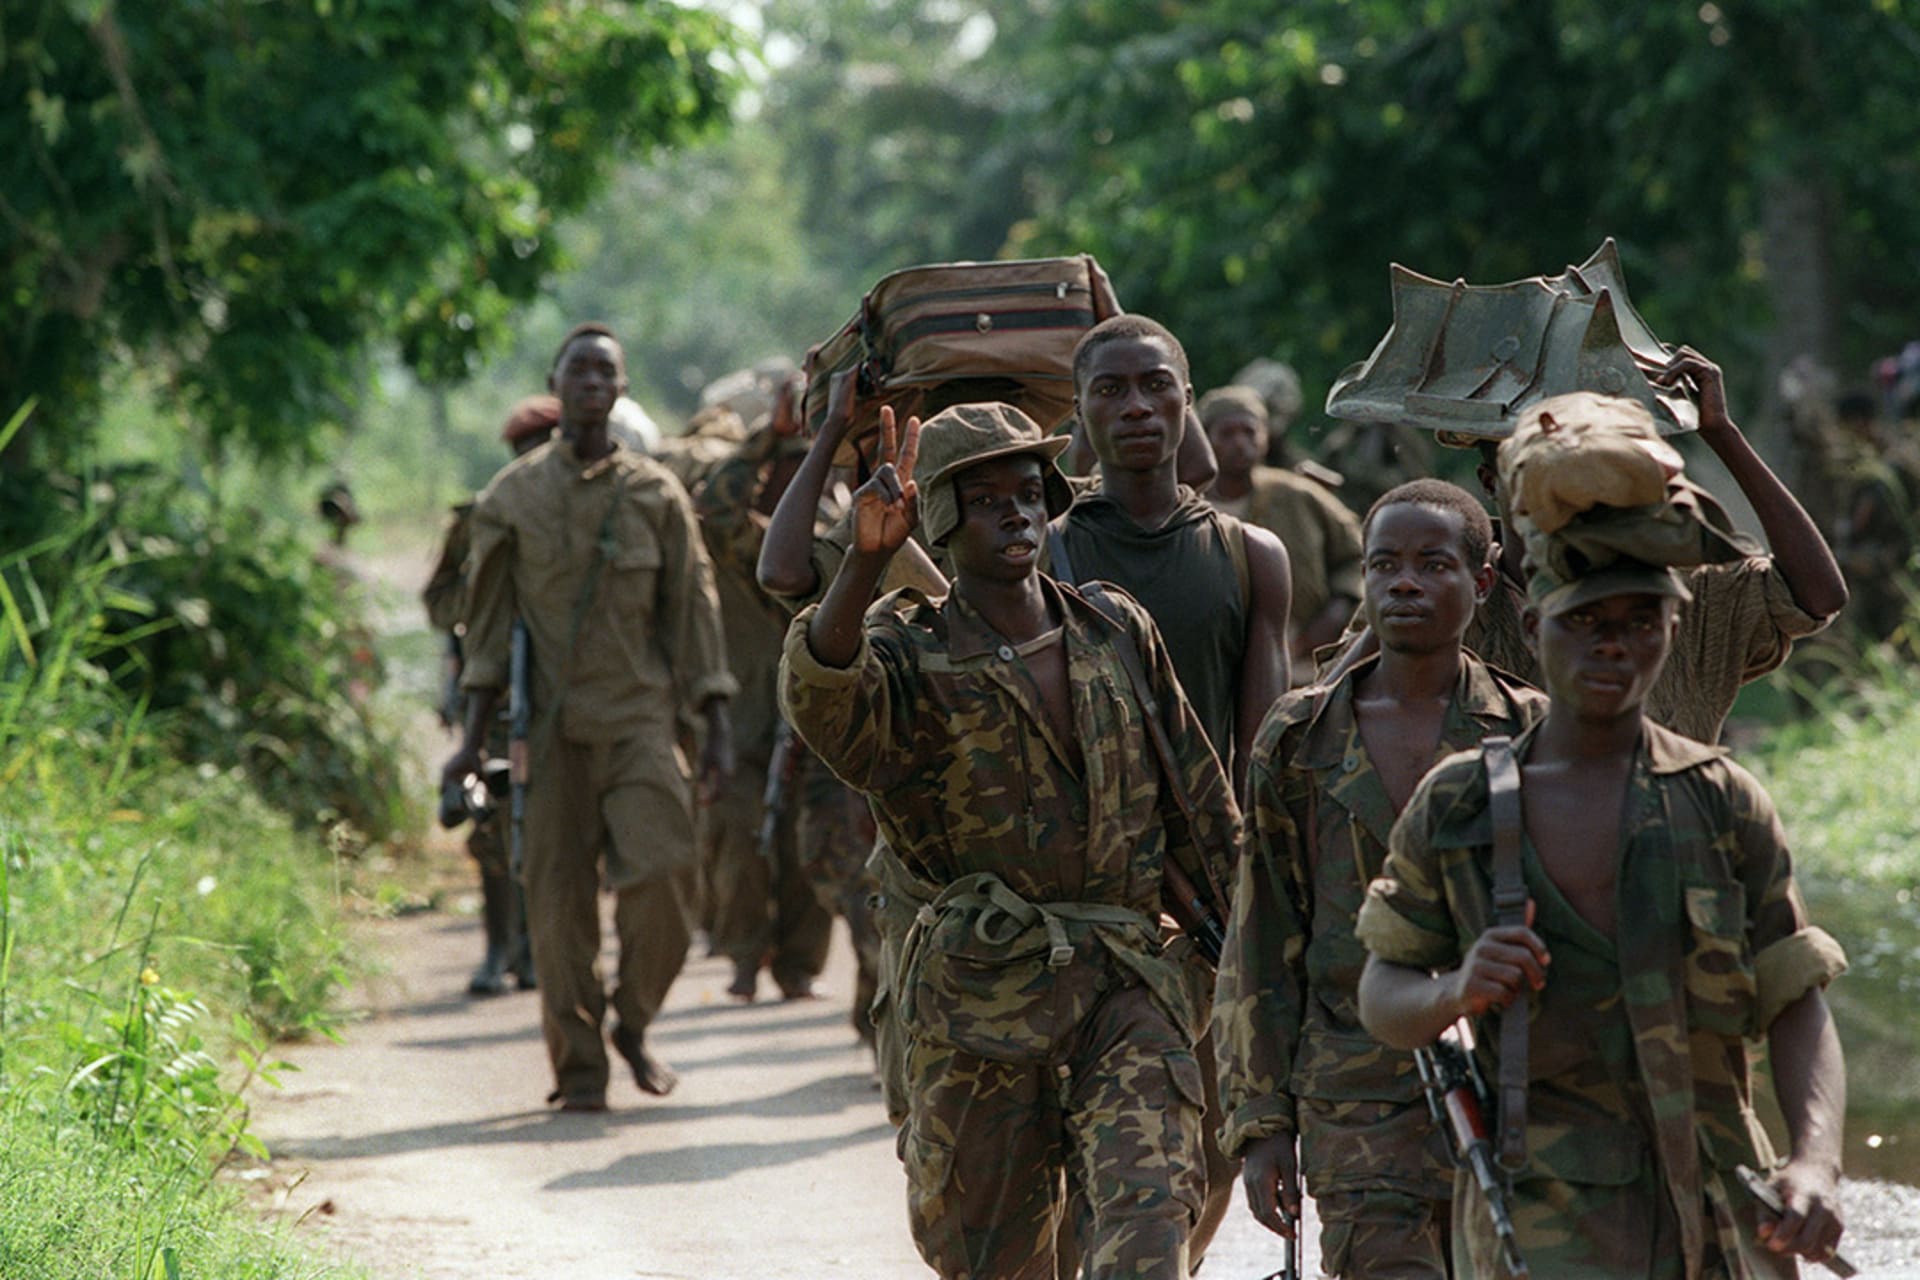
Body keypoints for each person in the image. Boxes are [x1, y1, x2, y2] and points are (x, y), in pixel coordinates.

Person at [781, 402, 1239, 1279]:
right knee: (993, 1258)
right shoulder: (907, 652)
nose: (1016, 512)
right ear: (943, 520)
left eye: (1029, 493)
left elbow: (1202, 807)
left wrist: (1257, 955)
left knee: (1148, 1223)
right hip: (979, 998)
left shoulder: (1113, 629)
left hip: (1124, 979)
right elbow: (827, 710)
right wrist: (865, 565)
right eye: (985, 498)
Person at [1354, 551, 1850, 1277]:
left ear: (1672, 631)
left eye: (1639, 622)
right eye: (1582, 621)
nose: (1612, 644)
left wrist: (1815, 1160)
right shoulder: (1459, 803)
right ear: (1531, 626)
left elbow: (1795, 998)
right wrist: (1454, 990)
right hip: (1537, 1220)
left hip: (1719, 1209)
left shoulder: (1721, 800)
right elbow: (1381, 994)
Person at [1216, 479, 1548, 1277]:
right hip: (1353, 1097)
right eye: (1384, 565)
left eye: (1434, 564)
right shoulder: (1299, 738)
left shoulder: (1531, 732)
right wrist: (1263, 1124)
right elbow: (1262, 933)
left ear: (1483, 582)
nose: (1404, 582)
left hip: (1513, 1088)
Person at [1038, 315, 1291, 1267]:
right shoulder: (1042, 559)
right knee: (1078, 1160)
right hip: (1082, 903)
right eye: (1111, 389)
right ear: (1080, 414)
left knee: (1210, 1149)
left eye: (1156, 386)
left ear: (1187, 402)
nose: (1136, 406)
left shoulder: (1250, 554)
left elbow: (1259, 750)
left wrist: (1264, 900)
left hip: (1208, 906)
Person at [440, 322, 737, 1112]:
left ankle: (632, 1022)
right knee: (556, 900)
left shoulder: (655, 494)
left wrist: (715, 726)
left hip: (640, 719)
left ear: (622, 388)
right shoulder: (513, 497)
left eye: (607, 371)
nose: (592, 383)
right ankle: (579, 1072)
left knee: (668, 872)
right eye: (579, 370)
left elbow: (693, 612)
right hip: (548, 733)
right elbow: (488, 632)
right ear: (557, 382)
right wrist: (468, 746)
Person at [1328, 350, 1848, 744]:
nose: (1567, 491)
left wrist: (1721, 433)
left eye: (1585, 468)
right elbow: (1326, 712)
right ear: (1492, 481)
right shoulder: (1451, 592)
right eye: (1535, 471)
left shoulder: (1680, 592)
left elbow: (1816, 595)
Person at [690, 385, 837, 1003]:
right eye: (784, 467)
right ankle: (745, 955)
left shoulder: (834, 541)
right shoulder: (740, 539)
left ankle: (798, 966)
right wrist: (767, 439)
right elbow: (712, 507)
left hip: (814, 717)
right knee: (739, 840)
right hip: (744, 716)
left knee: (810, 848)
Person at [422, 394, 558, 995]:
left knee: (555, 822)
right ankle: (498, 946)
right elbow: (438, 600)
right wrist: (485, 609)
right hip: (496, 689)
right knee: (490, 823)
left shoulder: (591, 512)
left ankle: (537, 949)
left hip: (564, 691)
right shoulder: (483, 516)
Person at [1201, 384, 1365, 673]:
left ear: (1265, 436)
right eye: (1227, 433)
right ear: (1205, 438)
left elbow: (1357, 556)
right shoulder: (1188, 503)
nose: (1240, 443)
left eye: (1249, 431)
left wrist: (1336, 613)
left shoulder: (1298, 495)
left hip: (1303, 665)